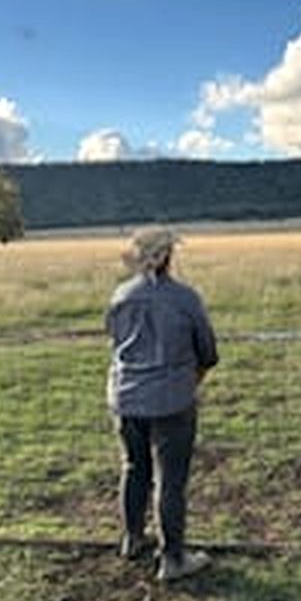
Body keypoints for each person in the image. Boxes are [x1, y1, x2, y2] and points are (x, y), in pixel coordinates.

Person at [106, 226, 218, 581]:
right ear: (169, 257)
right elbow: (208, 352)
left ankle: (132, 538)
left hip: (125, 396)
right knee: (170, 479)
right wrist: (190, 379)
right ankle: (172, 558)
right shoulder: (185, 298)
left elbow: (116, 342)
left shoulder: (121, 295)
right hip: (171, 399)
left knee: (133, 466)